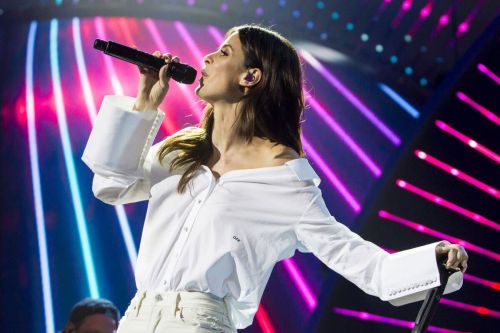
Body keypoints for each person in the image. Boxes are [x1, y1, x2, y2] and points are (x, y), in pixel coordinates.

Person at [82, 24, 468, 332]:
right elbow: (110, 186)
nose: (207, 57)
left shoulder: (286, 182)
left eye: (224, 52)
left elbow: (365, 265)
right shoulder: (183, 150)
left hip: (200, 324)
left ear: (251, 76)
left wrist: (434, 263)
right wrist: (145, 102)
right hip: (135, 317)